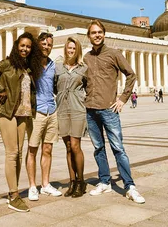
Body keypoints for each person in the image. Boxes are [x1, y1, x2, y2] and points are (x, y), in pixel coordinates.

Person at [0, 32, 44, 213]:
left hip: (23, 114)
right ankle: (14, 195)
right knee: (12, 152)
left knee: (19, 153)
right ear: (17, 46)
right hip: (7, 112)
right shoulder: (8, 63)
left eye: (28, 47)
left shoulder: (29, 67)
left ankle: (13, 192)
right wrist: (1, 88)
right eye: (22, 46)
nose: (25, 49)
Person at [83, 20, 145, 204]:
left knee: (118, 148)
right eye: (93, 32)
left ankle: (129, 186)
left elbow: (131, 74)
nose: (97, 35)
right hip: (90, 110)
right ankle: (104, 181)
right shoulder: (86, 57)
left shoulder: (114, 54)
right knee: (98, 148)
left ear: (104, 34)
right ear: (89, 36)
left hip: (109, 109)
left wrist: (122, 99)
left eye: (100, 32)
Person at [26, 32, 62, 201]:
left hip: (51, 110)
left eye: (49, 44)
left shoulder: (53, 65)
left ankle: (45, 184)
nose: (47, 47)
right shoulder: (30, 65)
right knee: (32, 150)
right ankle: (33, 186)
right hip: (37, 112)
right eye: (44, 44)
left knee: (47, 149)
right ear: (38, 45)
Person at [55, 37, 88, 198]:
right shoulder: (58, 67)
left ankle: (81, 182)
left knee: (75, 145)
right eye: (69, 48)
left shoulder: (83, 68)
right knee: (68, 147)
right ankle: (72, 181)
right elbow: (54, 86)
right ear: (65, 49)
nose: (71, 51)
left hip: (77, 109)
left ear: (78, 50)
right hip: (62, 109)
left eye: (74, 48)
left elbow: (90, 87)